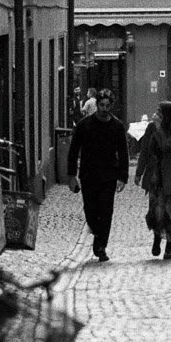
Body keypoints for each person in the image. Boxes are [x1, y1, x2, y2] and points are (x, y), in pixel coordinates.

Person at [66, 88, 129, 262]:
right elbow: (73, 150)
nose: (104, 109)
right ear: (97, 105)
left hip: (109, 176)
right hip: (88, 175)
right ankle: (96, 232)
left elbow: (123, 153)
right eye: (101, 105)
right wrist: (71, 175)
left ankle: (101, 246)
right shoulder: (84, 125)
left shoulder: (117, 126)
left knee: (106, 211)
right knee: (91, 210)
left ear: (111, 106)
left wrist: (123, 177)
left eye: (107, 105)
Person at [135, 100, 171, 260]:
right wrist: (139, 172)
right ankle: (156, 238)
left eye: (159, 112)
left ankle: (169, 246)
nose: (155, 114)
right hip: (155, 176)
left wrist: (158, 130)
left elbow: (170, 147)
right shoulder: (150, 128)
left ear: (166, 116)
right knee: (156, 210)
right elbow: (144, 151)